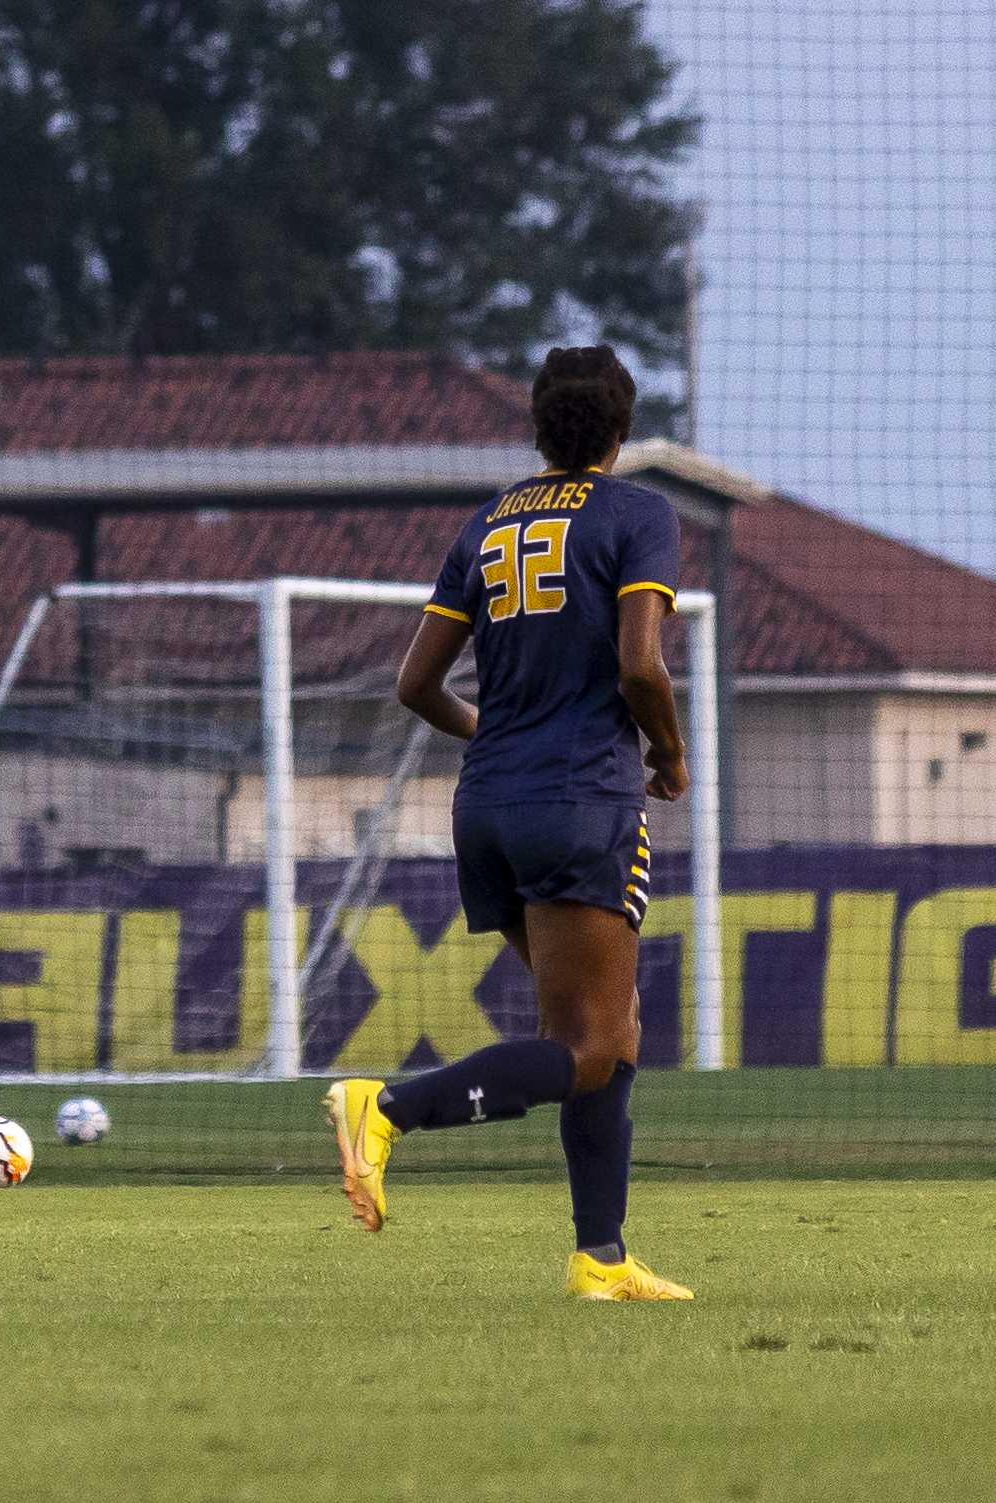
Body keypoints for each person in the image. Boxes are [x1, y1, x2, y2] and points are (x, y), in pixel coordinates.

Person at [324, 345, 695, 1301]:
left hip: (487, 803)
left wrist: (495, 732)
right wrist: (669, 752)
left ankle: (601, 1258)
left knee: (610, 1033)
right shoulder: (637, 513)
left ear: (538, 426)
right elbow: (642, 665)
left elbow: (416, 684)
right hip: (579, 804)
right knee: (589, 1044)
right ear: (621, 431)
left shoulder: (488, 520)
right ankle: (386, 1107)